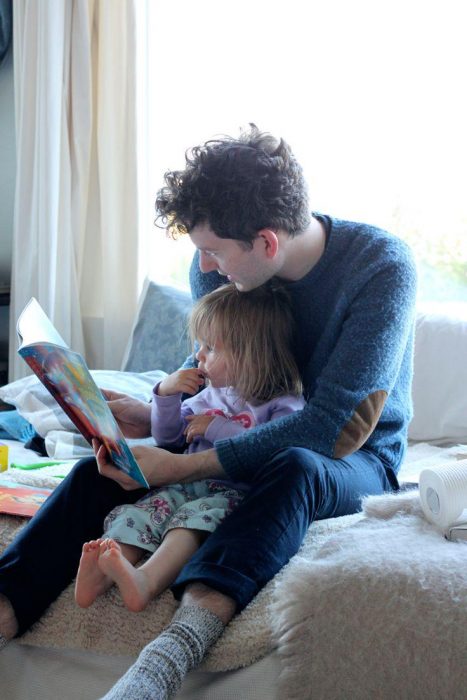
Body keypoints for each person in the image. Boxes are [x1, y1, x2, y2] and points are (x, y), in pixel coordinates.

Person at [0, 124, 417, 700]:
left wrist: (185, 467)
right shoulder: (216, 272)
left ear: (267, 243)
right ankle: (3, 611)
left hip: (353, 458)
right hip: (237, 434)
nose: (205, 267)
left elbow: (331, 430)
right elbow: (208, 379)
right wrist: (150, 419)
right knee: (93, 473)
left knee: (294, 466)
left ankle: (166, 660)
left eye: (214, 251)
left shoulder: (379, 268)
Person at [74, 283, 305, 612]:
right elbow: (168, 439)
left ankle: (147, 581)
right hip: (183, 485)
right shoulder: (210, 395)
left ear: (250, 354)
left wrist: (217, 428)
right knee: (139, 514)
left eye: (210, 348)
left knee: (187, 525)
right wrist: (165, 395)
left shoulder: (283, 405)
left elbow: (271, 453)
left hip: (231, 495)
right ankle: (100, 577)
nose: (199, 356)